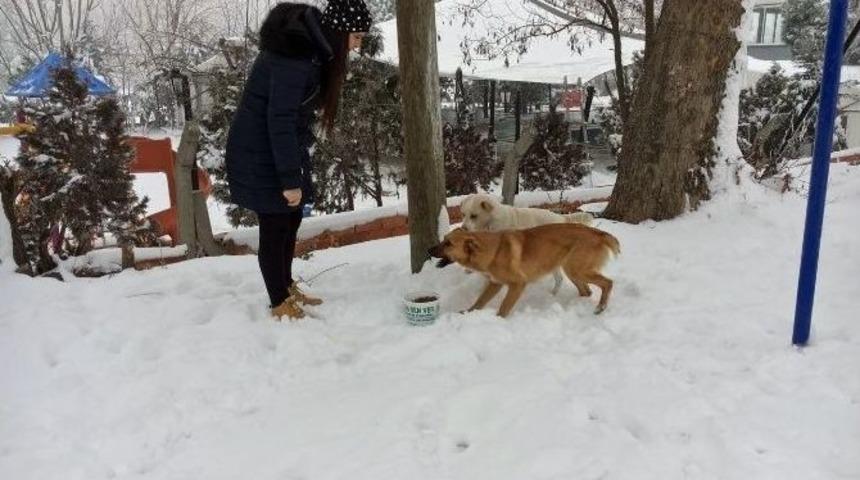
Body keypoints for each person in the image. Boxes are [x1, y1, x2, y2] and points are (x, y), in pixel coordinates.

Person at [225, 0, 372, 320]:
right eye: (357, 37)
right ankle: (279, 302)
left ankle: (286, 285)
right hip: (259, 150)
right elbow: (279, 120)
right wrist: (290, 179)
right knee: (275, 224)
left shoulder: (312, 52)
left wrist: (298, 162)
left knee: (291, 218)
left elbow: (295, 118)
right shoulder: (295, 59)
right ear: (340, 31)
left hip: (277, 145)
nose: (357, 46)